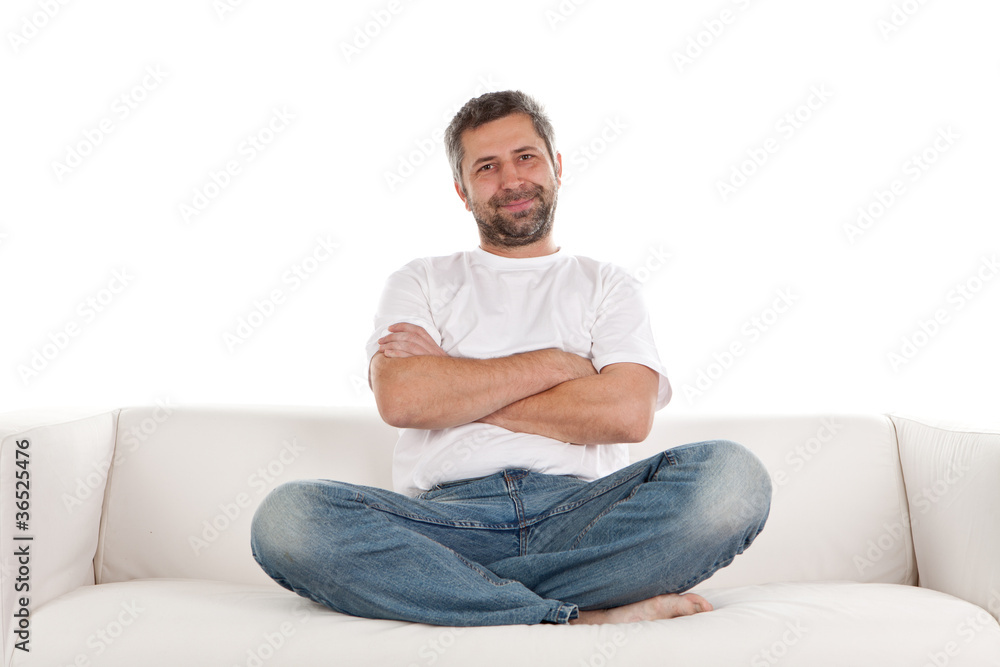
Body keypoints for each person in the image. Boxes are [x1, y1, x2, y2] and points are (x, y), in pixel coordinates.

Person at [250, 90, 772, 627]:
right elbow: (405, 398)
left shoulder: (606, 284)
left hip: (583, 521)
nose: (512, 179)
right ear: (462, 190)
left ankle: (460, 596)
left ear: (557, 166)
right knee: (288, 518)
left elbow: (625, 415)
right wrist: (559, 365)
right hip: (445, 525)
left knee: (733, 478)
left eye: (526, 157)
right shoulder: (420, 280)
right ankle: (574, 614)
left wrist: (453, 382)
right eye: (487, 167)